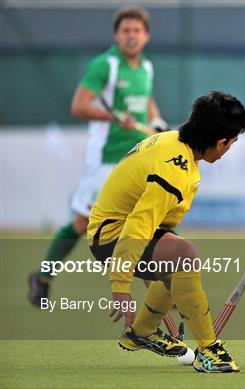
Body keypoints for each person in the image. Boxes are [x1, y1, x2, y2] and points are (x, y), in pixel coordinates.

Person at [87, 91, 245, 373]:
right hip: (111, 238)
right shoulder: (172, 171)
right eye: (232, 143)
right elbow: (139, 226)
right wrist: (120, 285)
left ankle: (140, 333)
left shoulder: (174, 142)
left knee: (177, 267)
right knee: (184, 255)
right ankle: (209, 350)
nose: (229, 149)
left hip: (120, 227)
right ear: (221, 141)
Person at [28, 6, 168, 306]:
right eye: (126, 31)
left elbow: (148, 103)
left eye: (137, 31)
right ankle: (42, 276)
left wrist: (155, 124)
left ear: (146, 36)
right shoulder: (105, 66)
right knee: (82, 224)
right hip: (105, 161)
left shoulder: (146, 68)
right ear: (117, 35)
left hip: (138, 160)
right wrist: (116, 117)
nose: (132, 36)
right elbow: (79, 105)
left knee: (154, 220)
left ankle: (168, 297)